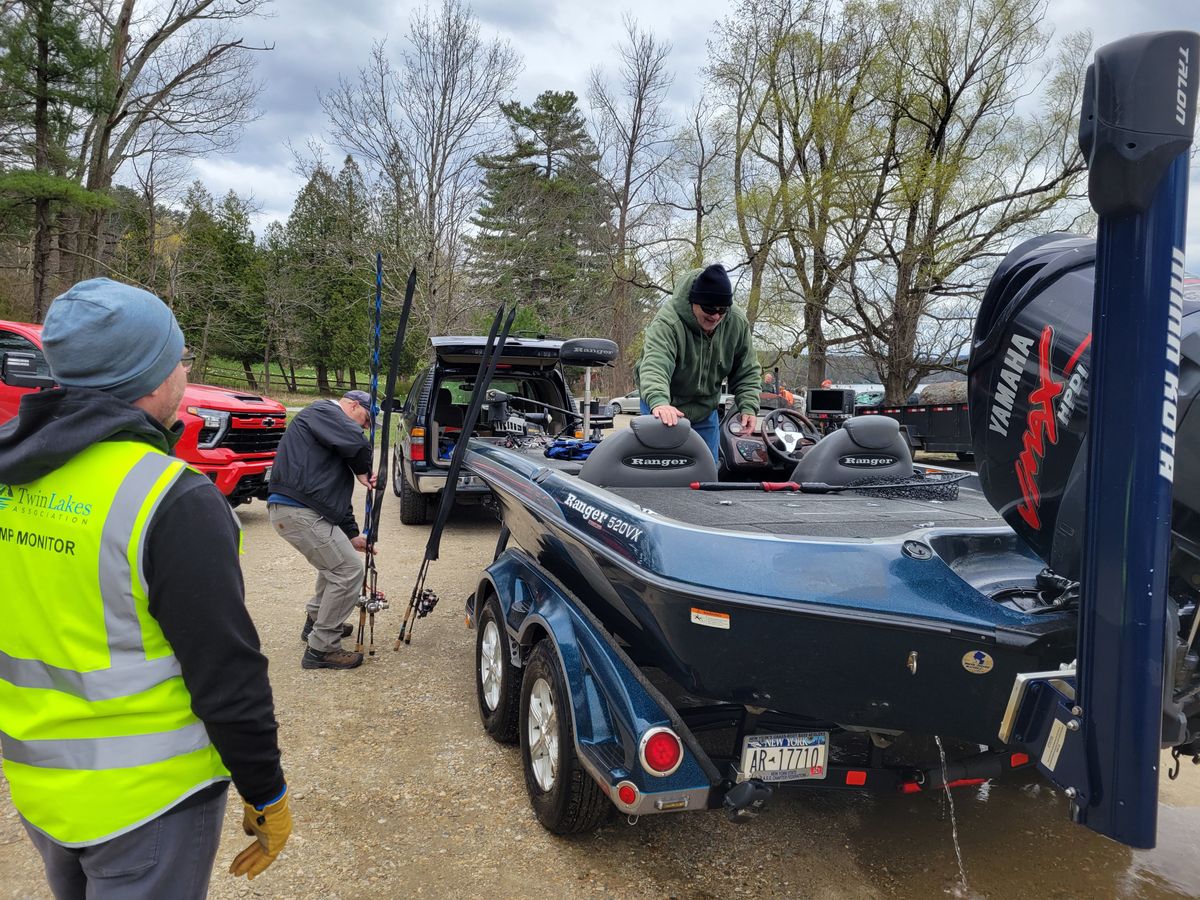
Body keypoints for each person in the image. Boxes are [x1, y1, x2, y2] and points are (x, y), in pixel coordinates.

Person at [0, 278, 290, 898]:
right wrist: (266, 789)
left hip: (43, 789)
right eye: (179, 357)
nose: (185, 370)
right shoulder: (171, 498)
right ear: (151, 377)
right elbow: (226, 669)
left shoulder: (12, 477)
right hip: (152, 801)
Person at [267, 389, 378, 670]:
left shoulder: (328, 433)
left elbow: (334, 497)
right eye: (366, 419)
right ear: (353, 405)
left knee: (334, 564)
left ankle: (316, 621)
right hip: (297, 510)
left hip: (302, 509)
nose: (365, 427)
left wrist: (352, 535)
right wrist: (363, 470)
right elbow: (358, 443)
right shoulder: (323, 412)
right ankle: (322, 647)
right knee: (348, 570)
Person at [635, 264, 760, 460]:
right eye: (709, 308)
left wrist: (748, 406)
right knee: (659, 469)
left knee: (707, 472)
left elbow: (747, 370)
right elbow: (655, 365)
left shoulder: (736, 322)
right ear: (693, 302)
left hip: (705, 411)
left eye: (722, 310)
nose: (716, 316)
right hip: (665, 406)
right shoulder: (668, 323)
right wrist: (659, 401)